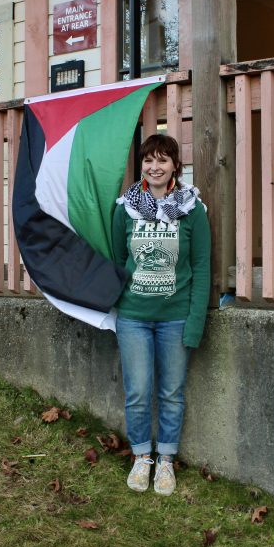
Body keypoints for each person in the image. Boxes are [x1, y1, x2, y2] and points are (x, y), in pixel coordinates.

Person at [111, 133, 211, 495]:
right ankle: (142, 458)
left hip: (175, 319)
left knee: (171, 392)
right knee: (137, 391)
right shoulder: (125, 208)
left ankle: (165, 460)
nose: (154, 167)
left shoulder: (191, 209)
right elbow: (117, 262)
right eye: (148, 160)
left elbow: (201, 268)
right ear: (142, 165)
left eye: (162, 160)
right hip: (133, 317)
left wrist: (195, 323)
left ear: (174, 166)